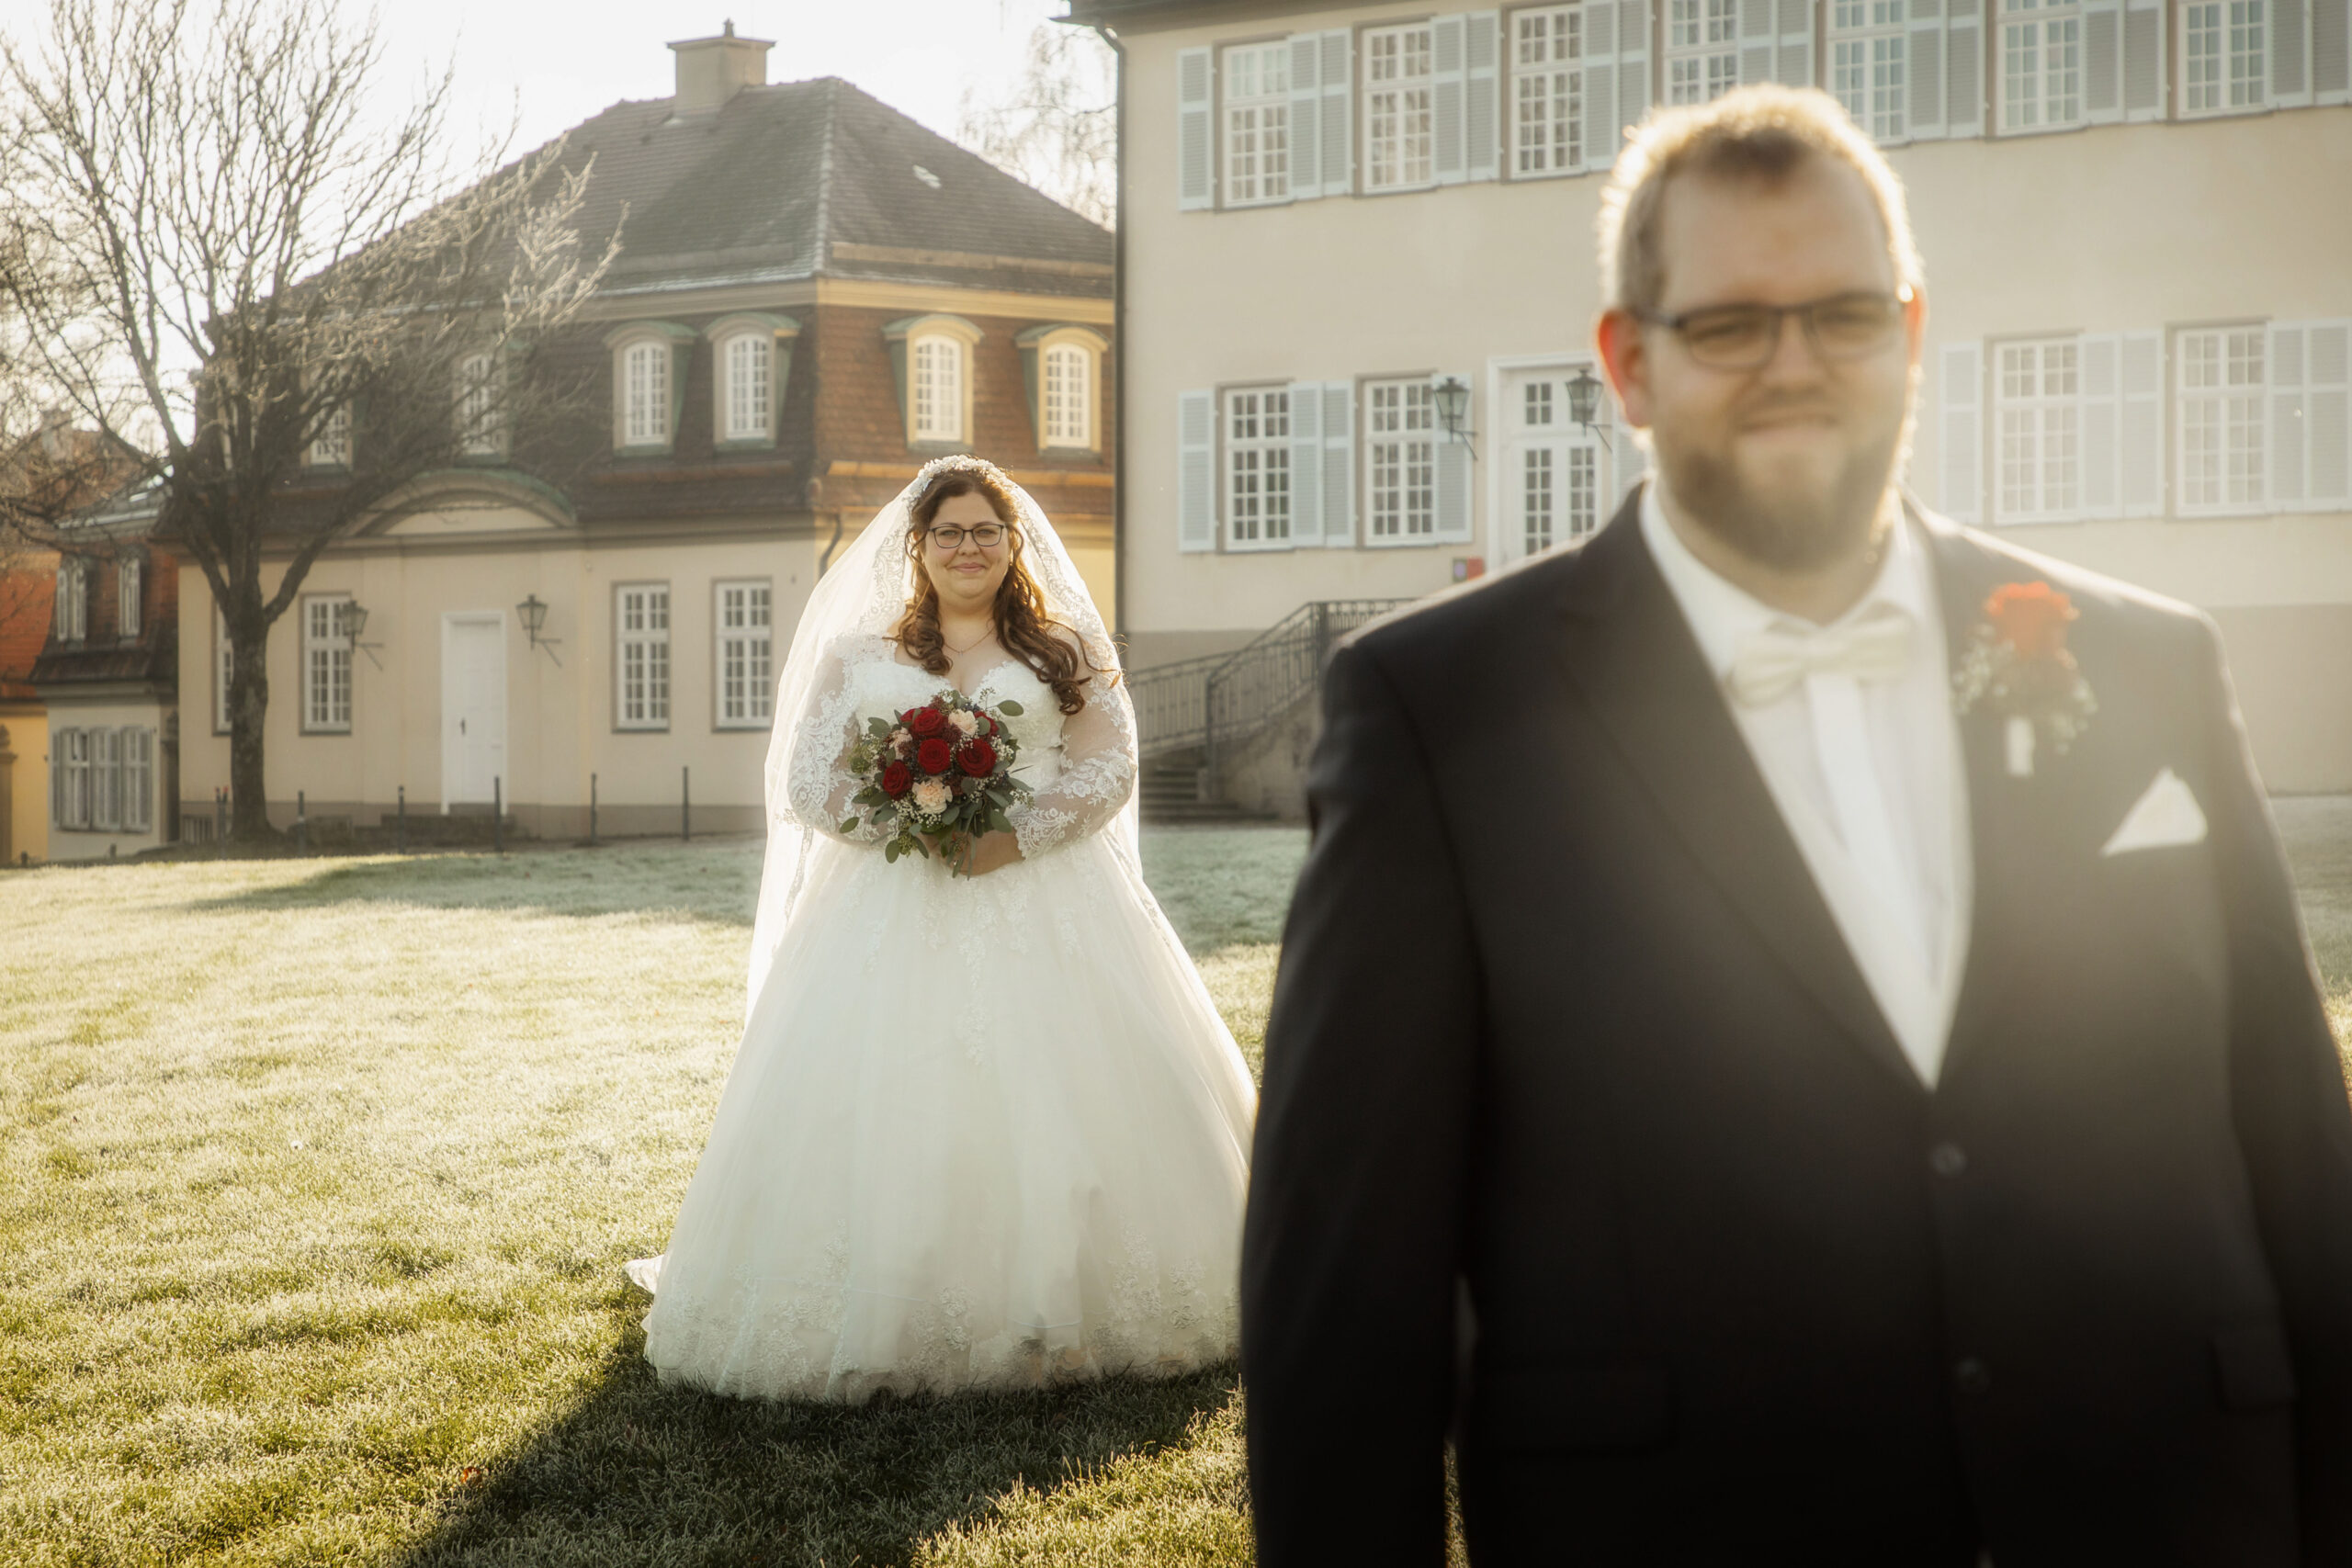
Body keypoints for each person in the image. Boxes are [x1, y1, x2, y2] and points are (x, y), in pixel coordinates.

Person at [1242, 85, 2352, 1565]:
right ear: (1627, 364)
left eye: (1842, 315)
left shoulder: (2150, 662)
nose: (1794, 365)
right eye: (1728, 325)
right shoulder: (1436, 716)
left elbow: (2297, 1158)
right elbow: (1347, 1301)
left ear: (1912, 330)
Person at [628, 455, 1255, 1403]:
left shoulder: (1065, 647)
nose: (969, 549)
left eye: (985, 532)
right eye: (949, 533)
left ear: (1015, 545)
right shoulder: (857, 657)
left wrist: (1015, 835)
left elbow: (1107, 764)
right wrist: (905, 821)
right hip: (888, 901)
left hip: (1047, 891)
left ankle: (1074, 1313)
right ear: (917, 547)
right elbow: (810, 781)